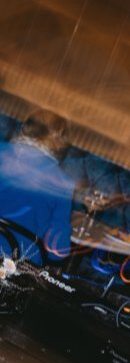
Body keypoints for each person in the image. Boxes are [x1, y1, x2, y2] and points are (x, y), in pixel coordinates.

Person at [0, 109, 75, 265]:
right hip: (17, 267)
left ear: (25, 128)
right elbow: (58, 252)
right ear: (61, 141)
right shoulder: (63, 184)